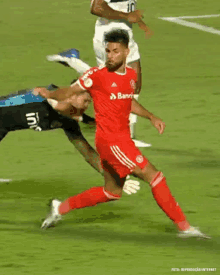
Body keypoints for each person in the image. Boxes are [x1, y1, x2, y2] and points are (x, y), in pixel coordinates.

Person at [37, 29, 209, 238]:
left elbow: (128, 101)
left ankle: (59, 208)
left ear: (127, 52)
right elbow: (70, 91)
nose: (110, 56)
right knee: (155, 177)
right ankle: (185, 228)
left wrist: (151, 116)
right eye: (108, 51)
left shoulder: (130, 76)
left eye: (115, 51)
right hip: (112, 142)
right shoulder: (97, 76)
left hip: (119, 140)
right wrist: (49, 93)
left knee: (111, 192)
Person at [0, 83, 140, 195]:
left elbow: (88, 153)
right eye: (85, 100)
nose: (87, 106)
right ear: (73, 94)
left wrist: (115, 177)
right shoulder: (46, 96)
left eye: (89, 103)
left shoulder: (68, 121)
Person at [46, 0, 153, 146]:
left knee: (133, 83)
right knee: (110, 83)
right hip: (109, 36)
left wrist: (139, 22)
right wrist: (126, 16)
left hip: (125, 35)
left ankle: (129, 134)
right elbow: (96, 7)